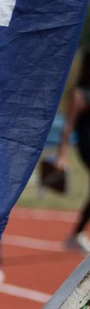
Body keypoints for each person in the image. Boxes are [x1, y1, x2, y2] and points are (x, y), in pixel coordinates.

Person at [58, 51, 90, 253]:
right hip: (88, 146)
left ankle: (76, 235)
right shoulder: (79, 93)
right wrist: (62, 154)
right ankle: (75, 235)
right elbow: (67, 126)